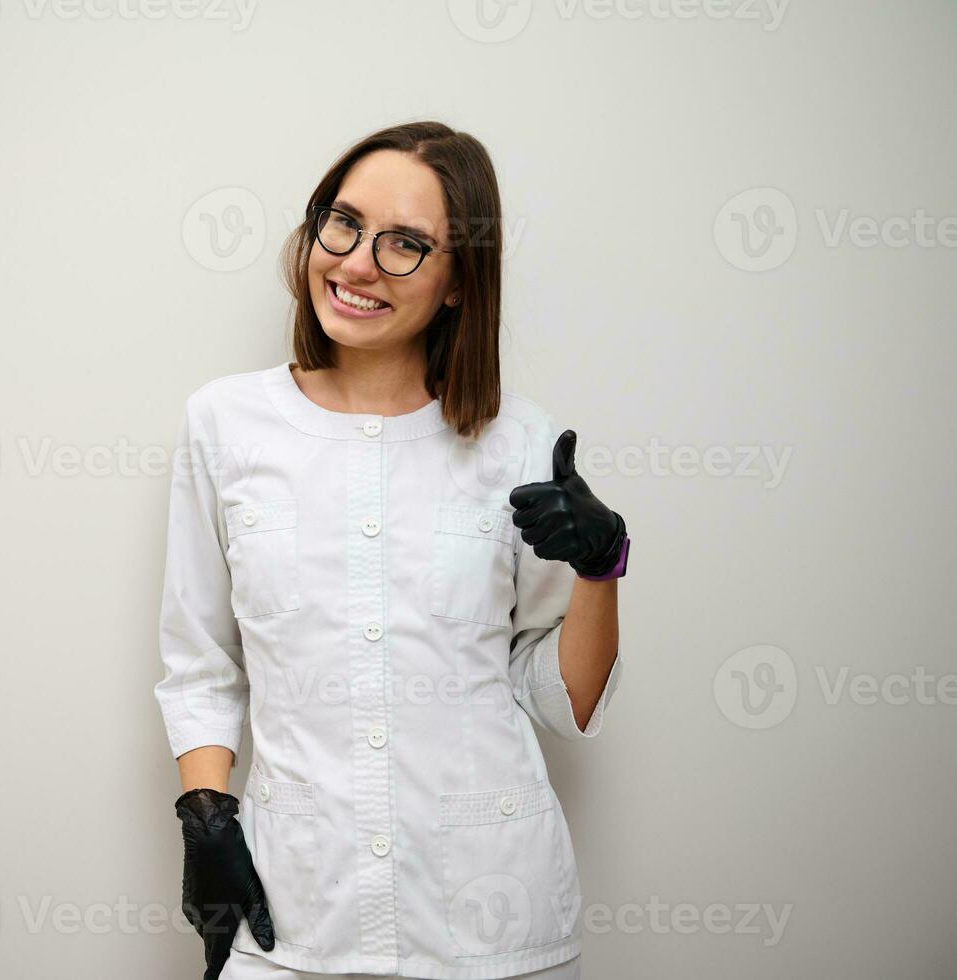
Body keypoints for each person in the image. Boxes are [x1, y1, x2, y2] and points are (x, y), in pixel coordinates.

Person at [154, 121, 629, 980]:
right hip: (293, 909)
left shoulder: (520, 440)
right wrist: (205, 818)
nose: (358, 263)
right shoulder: (224, 424)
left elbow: (563, 705)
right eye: (343, 223)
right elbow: (201, 664)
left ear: (457, 284)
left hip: (490, 921)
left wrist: (603, 569)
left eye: (406, 244)